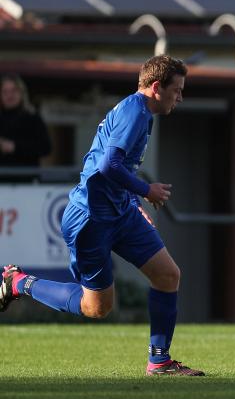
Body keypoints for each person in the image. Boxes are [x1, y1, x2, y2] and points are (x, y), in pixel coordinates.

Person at [0, 55, 203, 376]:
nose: (180, 97)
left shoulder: (143, 114)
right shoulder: (134, 112)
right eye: (177, 90)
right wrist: (145, 190)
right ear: (156, 87)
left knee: (168, 275)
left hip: (120, 211)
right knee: (96, 307)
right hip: (90, 218)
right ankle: (18, 282)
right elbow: (108, 165)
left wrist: (133, 203)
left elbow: (118, 166)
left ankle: (160, 361)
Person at [0, 73, 52, 176]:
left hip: (27, 180)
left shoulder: (33, 118)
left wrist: (14, 147)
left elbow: (46, 147)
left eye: (14, 90)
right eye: (5, 91)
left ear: (21, 93)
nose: (9, 95)